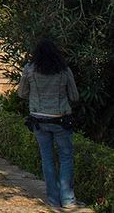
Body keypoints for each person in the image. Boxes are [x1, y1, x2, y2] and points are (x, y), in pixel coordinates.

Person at [18, 38, 82, 210]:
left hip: (39, 119)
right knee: (66, 158)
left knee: (47, 159)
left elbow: (22, 93)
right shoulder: (63, 71)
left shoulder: (29, 70)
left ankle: (53, 199)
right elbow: (75, 96)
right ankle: (68, 199)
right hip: (61, 118)